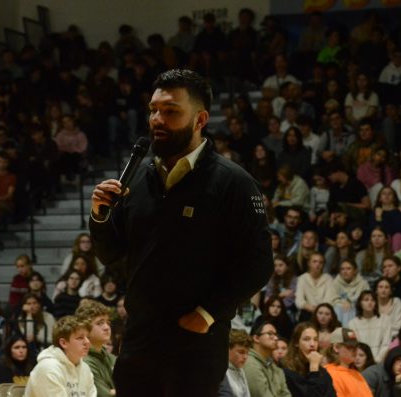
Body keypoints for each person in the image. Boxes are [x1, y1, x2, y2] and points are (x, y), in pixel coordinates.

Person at [89, 69, 273, 396]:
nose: (157, 119)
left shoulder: (234, 182)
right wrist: (99, 216)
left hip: (195, 345)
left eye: (171, 111)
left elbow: (258, 264)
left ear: (200, 119)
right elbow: (113, 254)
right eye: (153, 110)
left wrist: (208, 314)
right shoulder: (137, 178)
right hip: (139, 340)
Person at [24, 315, 96, 397]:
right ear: (63, 343)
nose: (87, 342)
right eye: (80, 338)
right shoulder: (48, 368)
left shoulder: (85, 368)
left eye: (88, 337)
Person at [280, 322, 336, 397]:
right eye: (306, 339)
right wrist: (314, 370)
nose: (312, 344)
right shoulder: (287, 372)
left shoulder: (323, 372)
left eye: (315, 339)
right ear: (296, 343)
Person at [76, 301, 116, 397]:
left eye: (108, 322)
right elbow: (104, 395)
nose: (107, 327)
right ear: (85, 329)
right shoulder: (84, 361)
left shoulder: (112, 358)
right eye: (100, 323)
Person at [244, 321, 291, 396]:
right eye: (270, 334)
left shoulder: (273, 365)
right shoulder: (250, 363)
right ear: (256, 338)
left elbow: (286, 393)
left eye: (275, 334)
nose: (276, 338)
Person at [323, 327, 373, 396]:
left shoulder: (356, 374)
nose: (354, 350)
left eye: (355, 346)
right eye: (350, 346)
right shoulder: (329, 374)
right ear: (336, 347)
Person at [348, 290, 392, 363]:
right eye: (366, 300)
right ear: (360, 303)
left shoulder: (385, 320)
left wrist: (376, 360)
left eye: (373, 300)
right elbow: (354, 345)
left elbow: (386, 344)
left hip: (380, 361)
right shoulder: (352, 323)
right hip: (360, 362)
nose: (370, 303)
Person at [295, 253, 333, 321]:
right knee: (305, 315)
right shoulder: (302, 278)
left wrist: (319, 310)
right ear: (309, 263)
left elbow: (329, 299)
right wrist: (311, 308)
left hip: (323, 311)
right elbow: (299, 301)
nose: (317, 264)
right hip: (307, 311)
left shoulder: (328, 279)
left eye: (320, 262)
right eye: (314, 261)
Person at [331, 259, 369, 326]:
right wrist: (343, 302)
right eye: (342, 269)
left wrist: (351, 303)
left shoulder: (363, 284)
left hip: (357, 310)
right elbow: (332, 299)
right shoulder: (335, 282)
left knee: (349, 310)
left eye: (348, 269)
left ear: (355, 271)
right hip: (340, 310)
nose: (345, 271)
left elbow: (367, 300)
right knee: (338, 308)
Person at [217, 328, 252, 397]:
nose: (245, 357)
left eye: (247, 353)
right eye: (241, 352)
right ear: (227, 349)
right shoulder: (221, 370)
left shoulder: (240, 369)